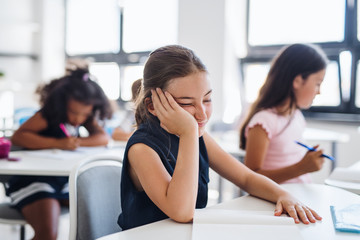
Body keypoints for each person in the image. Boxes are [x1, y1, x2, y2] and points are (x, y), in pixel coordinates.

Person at [117, 45, 322, 231]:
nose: (202, 114)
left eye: (207, 99)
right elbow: (182, 211)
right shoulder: (142, 149)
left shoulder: (199, 135)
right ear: (153, 105)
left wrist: (283, 195)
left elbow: (246, 177)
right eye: (187, 103)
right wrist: (188, 132)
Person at [7, 68, 112, 240]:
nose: (78, 119)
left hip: (63, 180)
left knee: (100, 210)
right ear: (63, 104)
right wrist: (58, 144)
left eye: (84, 114)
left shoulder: (85, 118)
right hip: (34, 180)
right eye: (74, 112)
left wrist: (78, 142)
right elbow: (19, 136)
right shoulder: (48, 116)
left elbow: (103, 138)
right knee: (48, 234)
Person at [239, 43, 328, 184]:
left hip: (298, 198)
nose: (319, 91)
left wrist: (306, 163)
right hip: (278, 202)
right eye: (318, 83)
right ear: (298, 81)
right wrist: (301, 168)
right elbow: (251, 178)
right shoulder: (264, 121)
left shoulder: (296, 116)